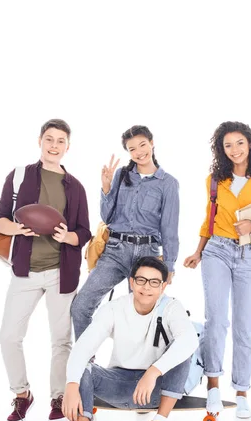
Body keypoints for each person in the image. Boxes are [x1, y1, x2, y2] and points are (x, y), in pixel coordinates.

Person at [184, 121, 251, 418]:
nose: (235, 150)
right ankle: (213, 387)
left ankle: (242, 391)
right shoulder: (215, 180)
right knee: (216, 320)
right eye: (228, 145)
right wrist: (198, 252)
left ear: (250, 144)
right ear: (221, 149)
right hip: (217, 250)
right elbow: (209, 218)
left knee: (245, 326)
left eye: (239, 143)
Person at [0, 118, 91, 421]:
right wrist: (18, 229)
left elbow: (84, 232)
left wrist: (67, 237)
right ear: (40, 141)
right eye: (49, 139)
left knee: (61, 340)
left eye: (60, 141)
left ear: (68, 147)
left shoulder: (75, 187)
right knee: (8, 336)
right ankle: (22, 395)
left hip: (61, 273)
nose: (54, 145)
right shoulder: (20, 176)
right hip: (25, 271)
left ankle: (58, 397)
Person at [62, 256, 198, 421]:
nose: (147, 287)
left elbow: (190, 340)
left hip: (156, 389)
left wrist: (153, 372)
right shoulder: (114, 309)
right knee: (83, 366)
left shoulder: (172, 307)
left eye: (154, 282)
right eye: (141, 280)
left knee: (182, 348)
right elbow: (83, 347)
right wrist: (71, 384)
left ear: (163, 286)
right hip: (118, 385)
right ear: (132, 282)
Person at [71, 125, 180, 340]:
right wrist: (105, 187)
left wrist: (168, 266)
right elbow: (108, 217)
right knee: (80, 305)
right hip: (115, 250)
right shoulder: (121, 175)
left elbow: (170, 228)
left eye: (142, 145)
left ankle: (137, 369)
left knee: (141, 317)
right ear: (128, 152)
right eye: (132, 149)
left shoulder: (168, 184)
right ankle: (86, 362)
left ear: (152, 143)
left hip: (147, 255)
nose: (139, 152)